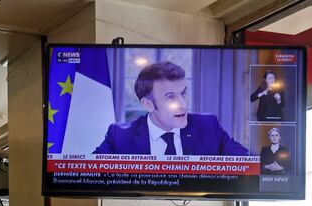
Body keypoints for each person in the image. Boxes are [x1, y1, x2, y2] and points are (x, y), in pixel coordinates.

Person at [93, 61, 250, 157]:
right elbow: (89, 174)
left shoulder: (208, 125)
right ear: (148, 104)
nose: (183, 105)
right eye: (170, 97)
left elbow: (246, 161)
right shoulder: (120, 135)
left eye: (183, 93)